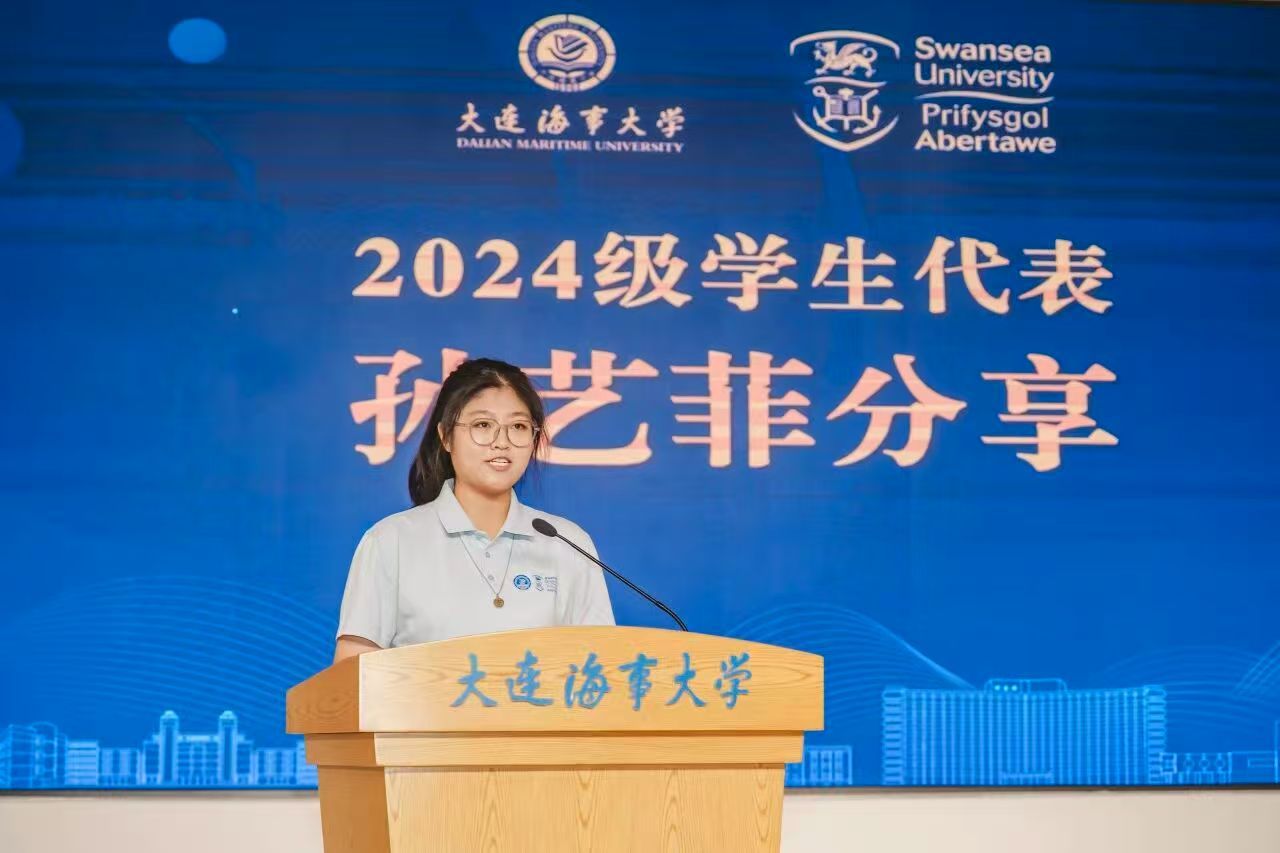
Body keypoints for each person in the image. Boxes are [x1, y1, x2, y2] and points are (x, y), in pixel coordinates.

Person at [332, 357, 614, 663]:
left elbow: (601, 667)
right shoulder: (391, 541)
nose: (501, 442)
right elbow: (352, 674)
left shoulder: (568, 543)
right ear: (446, 436)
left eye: (518, 427)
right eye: (483, 425)